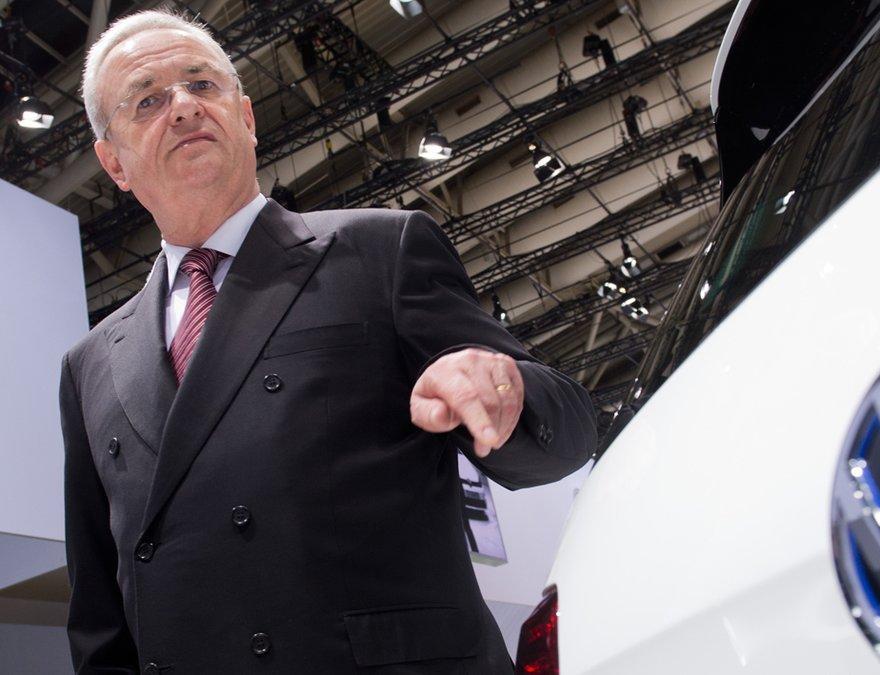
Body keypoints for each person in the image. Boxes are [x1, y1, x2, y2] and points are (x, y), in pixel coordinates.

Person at [59, 10, 596, 673]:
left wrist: (509, 392)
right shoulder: (89, 366)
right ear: (113, 162)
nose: (182, 107)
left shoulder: (380, 249)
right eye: (148, 99)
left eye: (201, 84)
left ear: (246, 117)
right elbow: (99, 615)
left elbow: (568, 426)